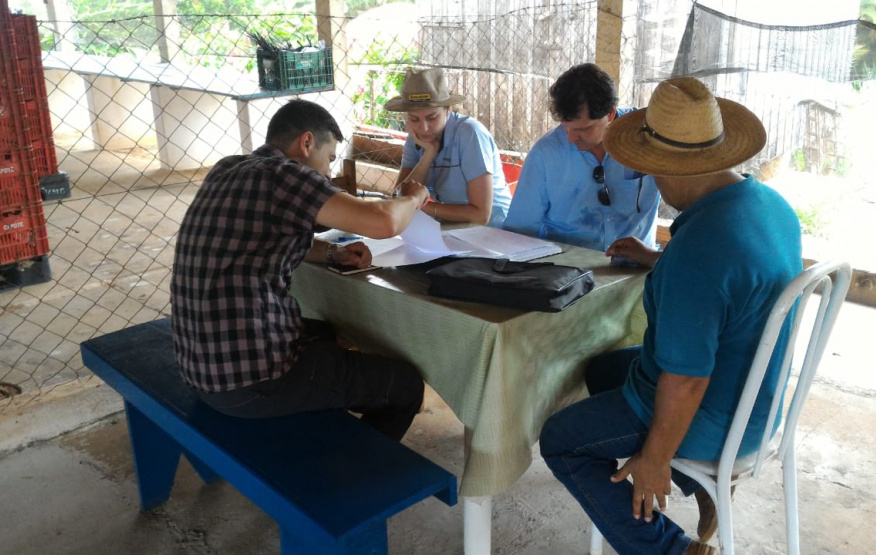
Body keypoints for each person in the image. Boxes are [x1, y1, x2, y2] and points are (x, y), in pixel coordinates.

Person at [538, 77, 803, 555]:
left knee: (560, 439)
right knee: (602, 367)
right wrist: (655, 259)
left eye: (653, 170)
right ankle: (697, 482)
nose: (653, 181)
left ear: (675, 169)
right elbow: (732, 284)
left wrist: (655, 458)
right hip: (756, 397)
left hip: (712, 412)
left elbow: (685, 381)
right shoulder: (766, 203)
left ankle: (673, 549)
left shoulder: (696, 254)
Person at [170, 99, 431, 441]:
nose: (327, 173)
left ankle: (327, 422)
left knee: (328, 334)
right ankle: (357, 473)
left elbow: (265, 239)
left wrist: (334, 253)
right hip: (249, 381)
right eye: (330, 159)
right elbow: (382, 222)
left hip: (200, 366)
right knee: (405, 384)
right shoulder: (285, 176)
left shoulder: (229, 168)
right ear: (306, 143)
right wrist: (412, 198)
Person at [503, 63, 661, 253]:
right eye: (565, 127)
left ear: (610, 114)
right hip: (567, 268)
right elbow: (519, 230)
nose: (570, 138)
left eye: (582, 129)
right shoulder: (545, 154)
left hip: (638, 265)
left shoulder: (649, 137)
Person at [385, 67, 513, 227]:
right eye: (414, 119)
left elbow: (481, 215)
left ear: (448, 110)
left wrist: (420, 205)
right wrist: (429, 154)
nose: (424, 128)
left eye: (432, 117)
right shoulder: (415, 139)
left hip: (496, 231)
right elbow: (400, 197)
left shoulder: (470, 133)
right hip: (456, 227)